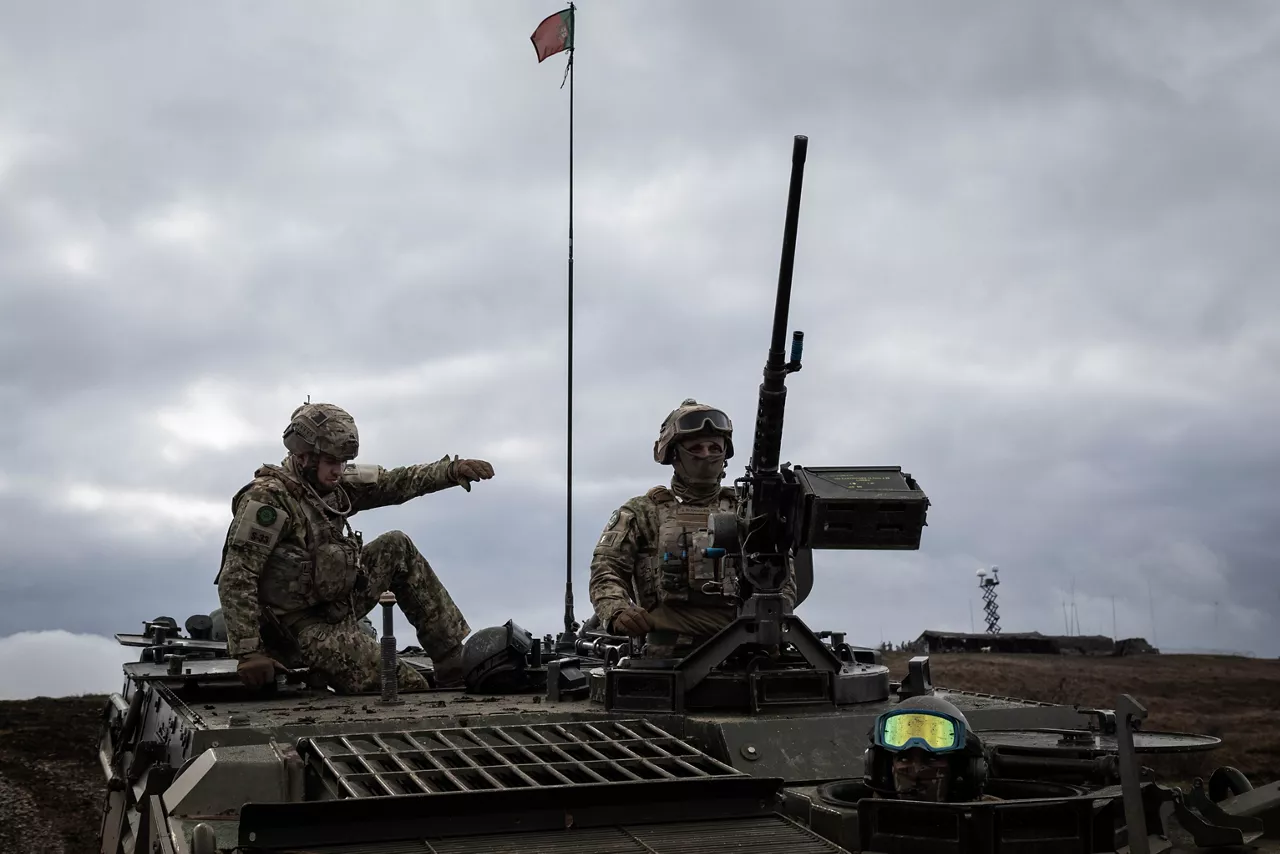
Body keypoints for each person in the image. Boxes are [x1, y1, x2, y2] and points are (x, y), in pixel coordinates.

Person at [214, 402, 494, 693]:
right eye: (331, 462)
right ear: (305, 457)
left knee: (396, 546)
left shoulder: (330, 487)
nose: (338, 470)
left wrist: (450, 471)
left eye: (343, 462)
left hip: (336, 605)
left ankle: (450, 659)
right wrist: (249, 652)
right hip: (300, 630)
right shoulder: (268, 500)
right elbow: (237, 575)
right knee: (409, 688)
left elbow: (394, 482)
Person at [588, 398, 797, 658]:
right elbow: (606, 570)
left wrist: (774, 617)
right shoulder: (643, 512)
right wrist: (617, 610)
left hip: (747, 651)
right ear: (673, 454)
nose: (707, 455)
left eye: (714, 447)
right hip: (666, 658)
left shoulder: (747, 511)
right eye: (696, 447)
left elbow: (782, 577)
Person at [862, 694, 994, 802]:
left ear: (963, 770)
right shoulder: (863, 818)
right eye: (903, 758)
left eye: (932, 758)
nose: (917, 770)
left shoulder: (993, 821)